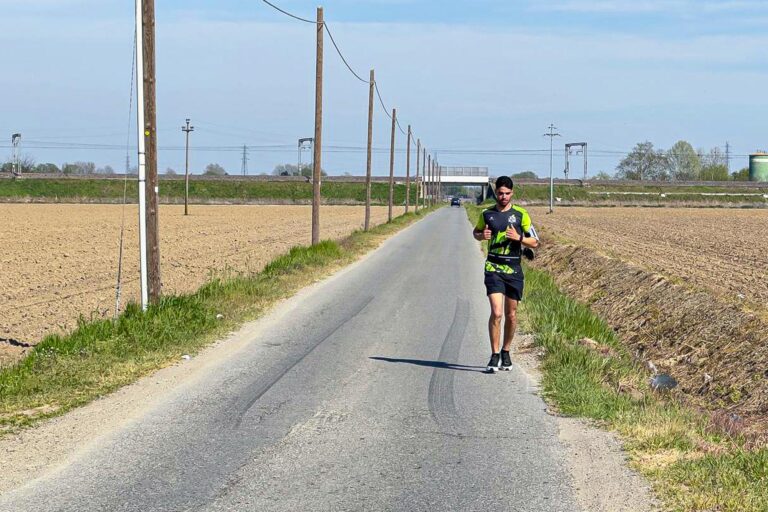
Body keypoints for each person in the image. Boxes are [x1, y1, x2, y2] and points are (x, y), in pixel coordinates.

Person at [472, 176, 539, 373]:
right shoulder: (487, 214)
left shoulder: (521, 214)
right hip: (493, 267)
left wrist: (519, 238)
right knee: (497, 312)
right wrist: (480, 236)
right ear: (495, 192)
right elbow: (476, 232)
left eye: (507, 193)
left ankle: (506, 351)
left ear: (512, 193)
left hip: (514, 270)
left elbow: (535, 241)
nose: (503, 196)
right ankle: (494, 355)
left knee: (511, 314)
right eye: (500, 193)